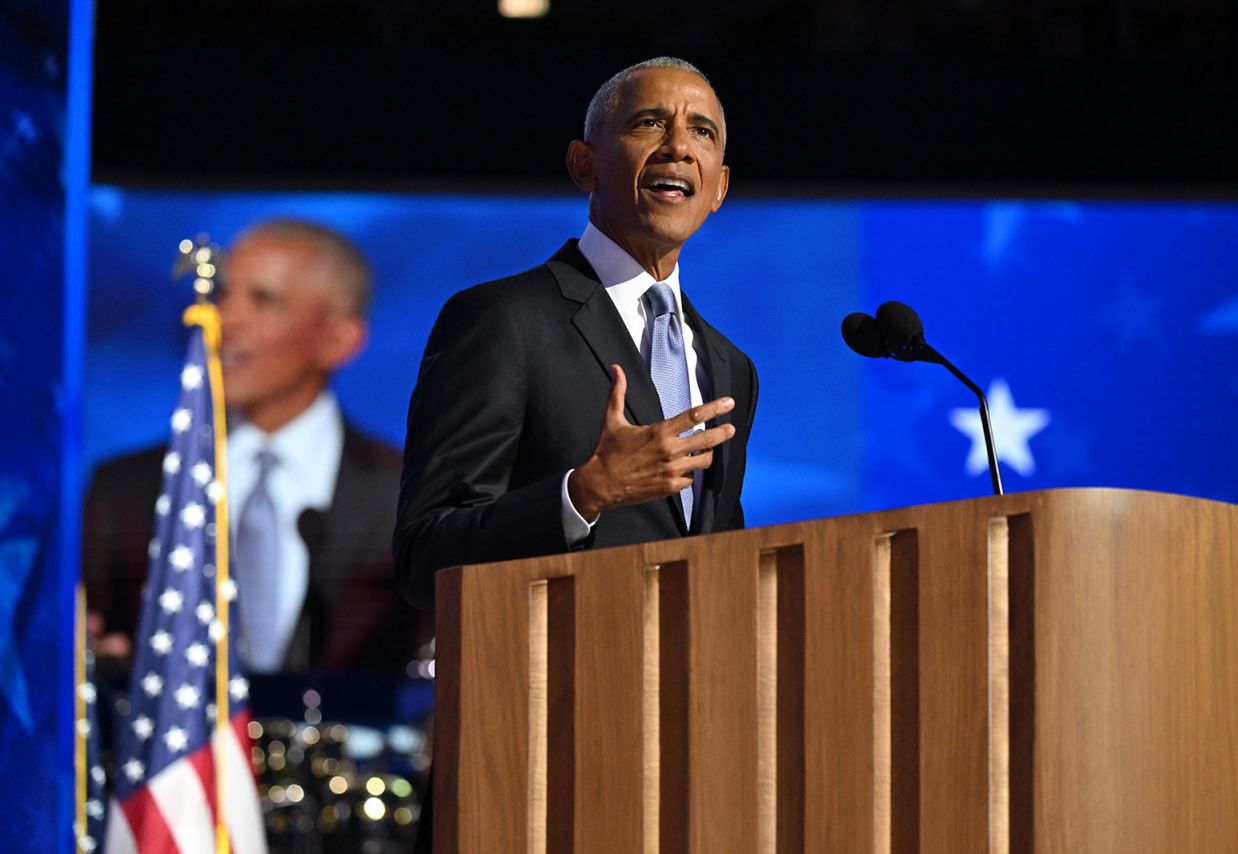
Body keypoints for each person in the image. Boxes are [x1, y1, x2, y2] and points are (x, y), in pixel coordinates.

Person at [394, 54, 757, 608]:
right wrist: (583, 494)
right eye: (650, 123)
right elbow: (425, 557)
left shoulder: (731, 367)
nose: (678, 147)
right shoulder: (502, 319)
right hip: (551, 680)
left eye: (701, 132)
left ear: (719, 187)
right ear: (583, 164)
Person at [84, 219, 429, 675]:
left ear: (339, 339)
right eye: (223, 294)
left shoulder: (409, 494)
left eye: (263, 299)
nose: (223, 319)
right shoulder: (125, 491)